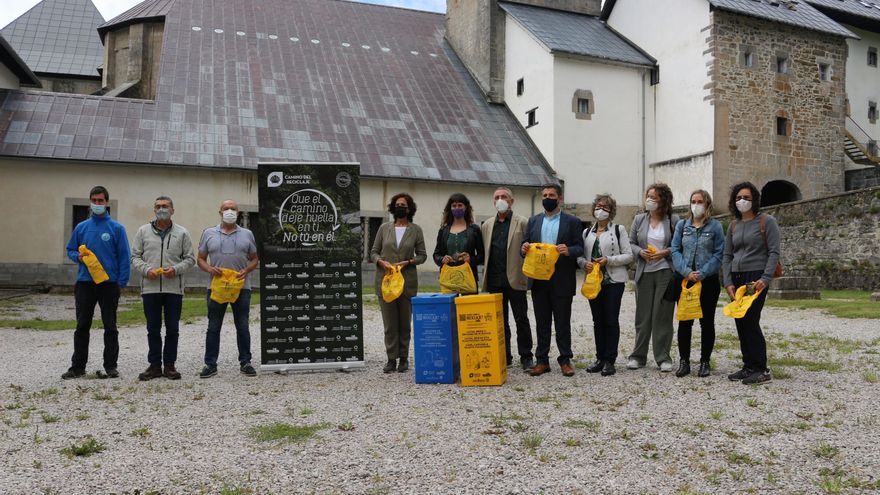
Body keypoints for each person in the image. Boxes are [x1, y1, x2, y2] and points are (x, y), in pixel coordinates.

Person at [62, 186, 131, 380]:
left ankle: (110, 366)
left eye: (101, 201)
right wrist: (79, 258)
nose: (97, 204)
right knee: (82, 325)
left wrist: (121, 283)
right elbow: (70, 250)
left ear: (107, 203)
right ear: (90, 202)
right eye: (94, 200)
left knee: (110, 326)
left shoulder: (117, 228)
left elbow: (124, 257)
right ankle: (77, 366)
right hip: (85, 283)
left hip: (109, 284)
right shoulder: (81, 227)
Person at [521, 184, 585, 377]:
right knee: (542, 322)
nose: (548, 197)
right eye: (545, 195)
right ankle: (542, 361)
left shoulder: (572, 221)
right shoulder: (533, 221)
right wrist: (523, 248)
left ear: (560, 198)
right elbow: (524, 247)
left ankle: (565, 360)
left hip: (561, 279)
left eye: (552, 195)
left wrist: (569, 251)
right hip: (539, 279)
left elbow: (580, 248)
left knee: (562, 322)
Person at [131, 196, 196, 381]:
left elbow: (190, 258)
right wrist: (146, 269)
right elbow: (135, 257)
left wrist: (175, 270)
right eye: (158, 206)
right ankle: (154, 366)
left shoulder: (182, 232)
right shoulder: (143, 231)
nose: (162, 209)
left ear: (172, 210)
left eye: (165, 206)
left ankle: (169, 366)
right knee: (153, 329)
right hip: (150, 289)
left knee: (172, 329)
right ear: (154, 210)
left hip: (173, 289)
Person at [722, 182, 780, 385]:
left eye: (746, 197)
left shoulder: (767, 221)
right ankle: (748, 366)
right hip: (737, 278)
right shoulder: (733, 225)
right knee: (740, 321)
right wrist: (727, 281)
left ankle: (761, 368)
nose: (742, 201)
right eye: (738, 198)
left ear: (754, 199)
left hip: (756, 278)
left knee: (751, 320)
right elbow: (727, 255)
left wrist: (765, 278)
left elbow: (774, 252)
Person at [197, 200, 259, 378]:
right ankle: (210, 364)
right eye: (226, 209)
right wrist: (209, 268)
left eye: (233, 209)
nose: (229, 211)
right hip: (216, 288)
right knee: (213, 327)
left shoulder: (247, 234)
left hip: (241, 287)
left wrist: (246, 270)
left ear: (238, 213)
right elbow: (200, 258)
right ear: (220, 212)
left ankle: (245, 362)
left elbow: (254, 258)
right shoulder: (208, 233)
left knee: (243, 326)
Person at [576, 194, 633, 377]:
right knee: (597, 321)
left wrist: (608, 260)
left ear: (611, 211)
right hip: (593, 282)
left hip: (613, 281)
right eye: (598, 206)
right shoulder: (586, 232)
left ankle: (610, 360)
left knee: (610, 320)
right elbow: (580, 255)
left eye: (605, 207)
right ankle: (599, 358)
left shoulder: (618, 230)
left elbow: (628, 255)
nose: (600, 210)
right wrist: (583, 263)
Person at [371, 193, 428, 373]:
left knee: (405, 323)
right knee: (390, 324)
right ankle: (391, 359)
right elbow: (373, 252)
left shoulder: (416, 230)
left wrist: (409, 262)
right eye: (397, 204)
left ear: (409, 208)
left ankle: (403, 358)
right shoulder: (383, 228)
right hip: (386, 282)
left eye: (403, 204)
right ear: (392, 208)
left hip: (406, 283)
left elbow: (422, 255)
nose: (400, 207)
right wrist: (381, 262)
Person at [670, 189, 724, 378]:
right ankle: (684, 361)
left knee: (706, 322)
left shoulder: (715, 227)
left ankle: (704, 362)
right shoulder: (682, 226)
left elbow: (719, 254)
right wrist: (686, 271)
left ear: (707, 204)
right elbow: (675, 250)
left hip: (707, 282)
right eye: (693, 201)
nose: (696, 204)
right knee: (685, 322)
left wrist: (702, 273)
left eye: (700, 201)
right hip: (684, 281)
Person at [627, 183, 680, 372]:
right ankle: (638, 356)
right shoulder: (639, 219)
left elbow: (679, 245)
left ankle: (663, 357)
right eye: (648, 196)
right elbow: (630, 243)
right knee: (643, 316)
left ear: (663, 200)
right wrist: (640, 252)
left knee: (663, 315)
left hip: (665, 271)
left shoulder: (673, 220)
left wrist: (664, 252)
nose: (649, 200)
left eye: (654, 197)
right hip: (644, 272)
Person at [481, 187, 534, 370]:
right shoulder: (487, 225)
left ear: (512, 201)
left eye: (504, 197)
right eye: (497, 197)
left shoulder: (523, 222)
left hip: (516, 278)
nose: (500, 200)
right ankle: (504, 355)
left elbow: (529, 249)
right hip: (495, 280)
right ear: (493, 201)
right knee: (499, 321)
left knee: (521, 319)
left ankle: (526, 356)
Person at [433, 193, 484, 294]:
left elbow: (482, 256)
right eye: (454, 206)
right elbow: (436, 255)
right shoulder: (443, 230)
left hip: (469, 278)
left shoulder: (474, 229)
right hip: (449, 279)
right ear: (450, 208)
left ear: (466, 207)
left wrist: (471, 259)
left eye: (460, 205)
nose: (457, 208)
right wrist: (442, 259)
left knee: (469, 309)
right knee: (450, 309)